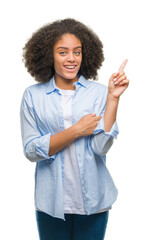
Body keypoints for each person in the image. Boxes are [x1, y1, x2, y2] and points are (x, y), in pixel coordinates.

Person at [20, 18, 129, 240]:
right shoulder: (33, 95)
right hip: (51, 202)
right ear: (49, 55)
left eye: (77, 52)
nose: (71, 58)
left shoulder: (99, 93)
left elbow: (100, 148)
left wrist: (113, 99)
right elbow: (31, 150)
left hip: (94, 201)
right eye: (63, 52)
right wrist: (76, 130)